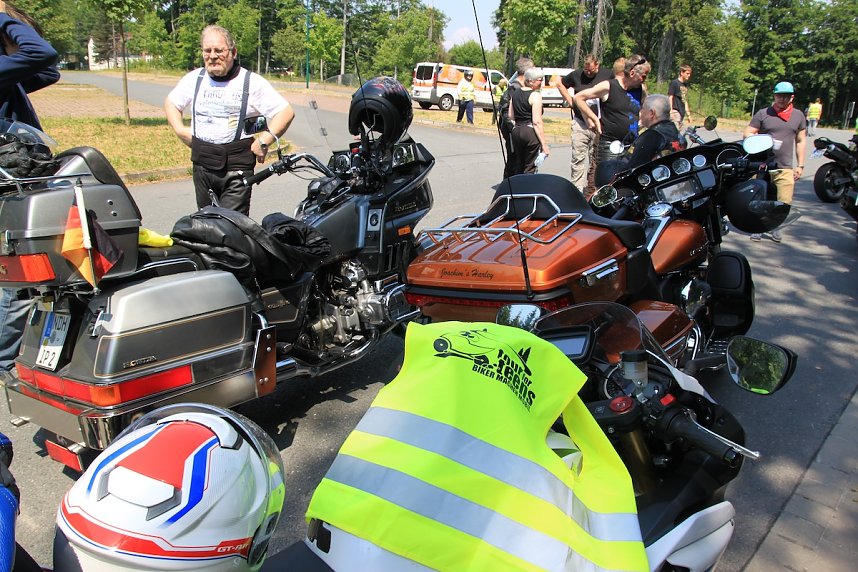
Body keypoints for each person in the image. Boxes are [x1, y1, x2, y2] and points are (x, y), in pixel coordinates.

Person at [165, 25, 294, 216]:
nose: (212, 56)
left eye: (219, 50)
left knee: (230, 226)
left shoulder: (251, 82)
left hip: (236, 168)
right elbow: (171, 103)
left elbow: (285, 112)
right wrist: (179, 129)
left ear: (233, 52)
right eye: (207, 51)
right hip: (203, 164)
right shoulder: (194, 79)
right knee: (206, 223)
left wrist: (264, 141)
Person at [0, 2, 59, 376]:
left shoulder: (8, 75)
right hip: (9, 183)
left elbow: (49, 69)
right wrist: (2, 19)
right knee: (18, 280)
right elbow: (42, 53)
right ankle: (5, 364)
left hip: (18, 177)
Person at [743, 81, 806, 243]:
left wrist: (800, 165)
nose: (782, 99)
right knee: (758, 199)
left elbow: (801, 141)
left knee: (783, 201)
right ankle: (758, 227)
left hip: (784, 166)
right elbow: (748, 133)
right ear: (774, 96)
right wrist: (764, 140)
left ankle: (775, 227)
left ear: (791, 97)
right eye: (779, 96)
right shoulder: (763, 114)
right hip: (762, 165)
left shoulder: (798, 116)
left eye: (786, 96)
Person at [574, 54, 649, 165]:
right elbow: (578, 98)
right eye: (643, 76)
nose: (644, 80)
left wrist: (642, 121)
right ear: (632, 73)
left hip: (631, 146)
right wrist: (593, 119)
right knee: (609, 175)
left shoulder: (640, 89)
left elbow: (644, 107)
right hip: (610, 146)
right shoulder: (609, 86)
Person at [557, 54, 613, 196]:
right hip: (580, 123)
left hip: (599, 123)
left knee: (596, 160)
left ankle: (592, 190)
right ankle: (576, 190)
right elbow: (560, 83)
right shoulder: (576, 75)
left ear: (597, 65)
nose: (587, 73)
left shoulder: (607, 75)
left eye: (591, 70)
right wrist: (571, 101)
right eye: (585, 70)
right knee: (578, 157)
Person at [509, 67, 549, 175]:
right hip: (529, 131)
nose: (541, 83)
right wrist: (544, 145)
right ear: (531, 81)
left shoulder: (515, 93)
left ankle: (518, 184)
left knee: (519, 164)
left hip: (516, 130)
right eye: (540, 80)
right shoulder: (535, 95)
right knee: (530, 166)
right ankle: (528, 184)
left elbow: (511, 115)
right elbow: (537, 122)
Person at [499, 57, 534, 179]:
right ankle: (509, 186)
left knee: (519, 161)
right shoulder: (514, 88)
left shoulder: (519, 88)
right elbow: (506, 113)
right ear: (526, 73)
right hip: (514, 132)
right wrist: (514, 129)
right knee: (514, 160)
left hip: (519, 131)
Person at [626, 94, 683, 170]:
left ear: (651, 113)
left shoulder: (651, 136)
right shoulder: (674, 130)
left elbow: (631, 168)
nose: (640, 112)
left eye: (642, 109)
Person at [668, 64, 692, 129]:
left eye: (690, 74)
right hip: (675, 112)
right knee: (675, 132)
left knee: (678, 132)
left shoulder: (685, 85)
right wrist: (671, 110)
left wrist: (688, 115)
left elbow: (685, 100)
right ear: (682, 73)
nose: (689, 75)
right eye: (687, 73)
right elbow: (670, 97)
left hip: (682, 113)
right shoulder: (674, 83)